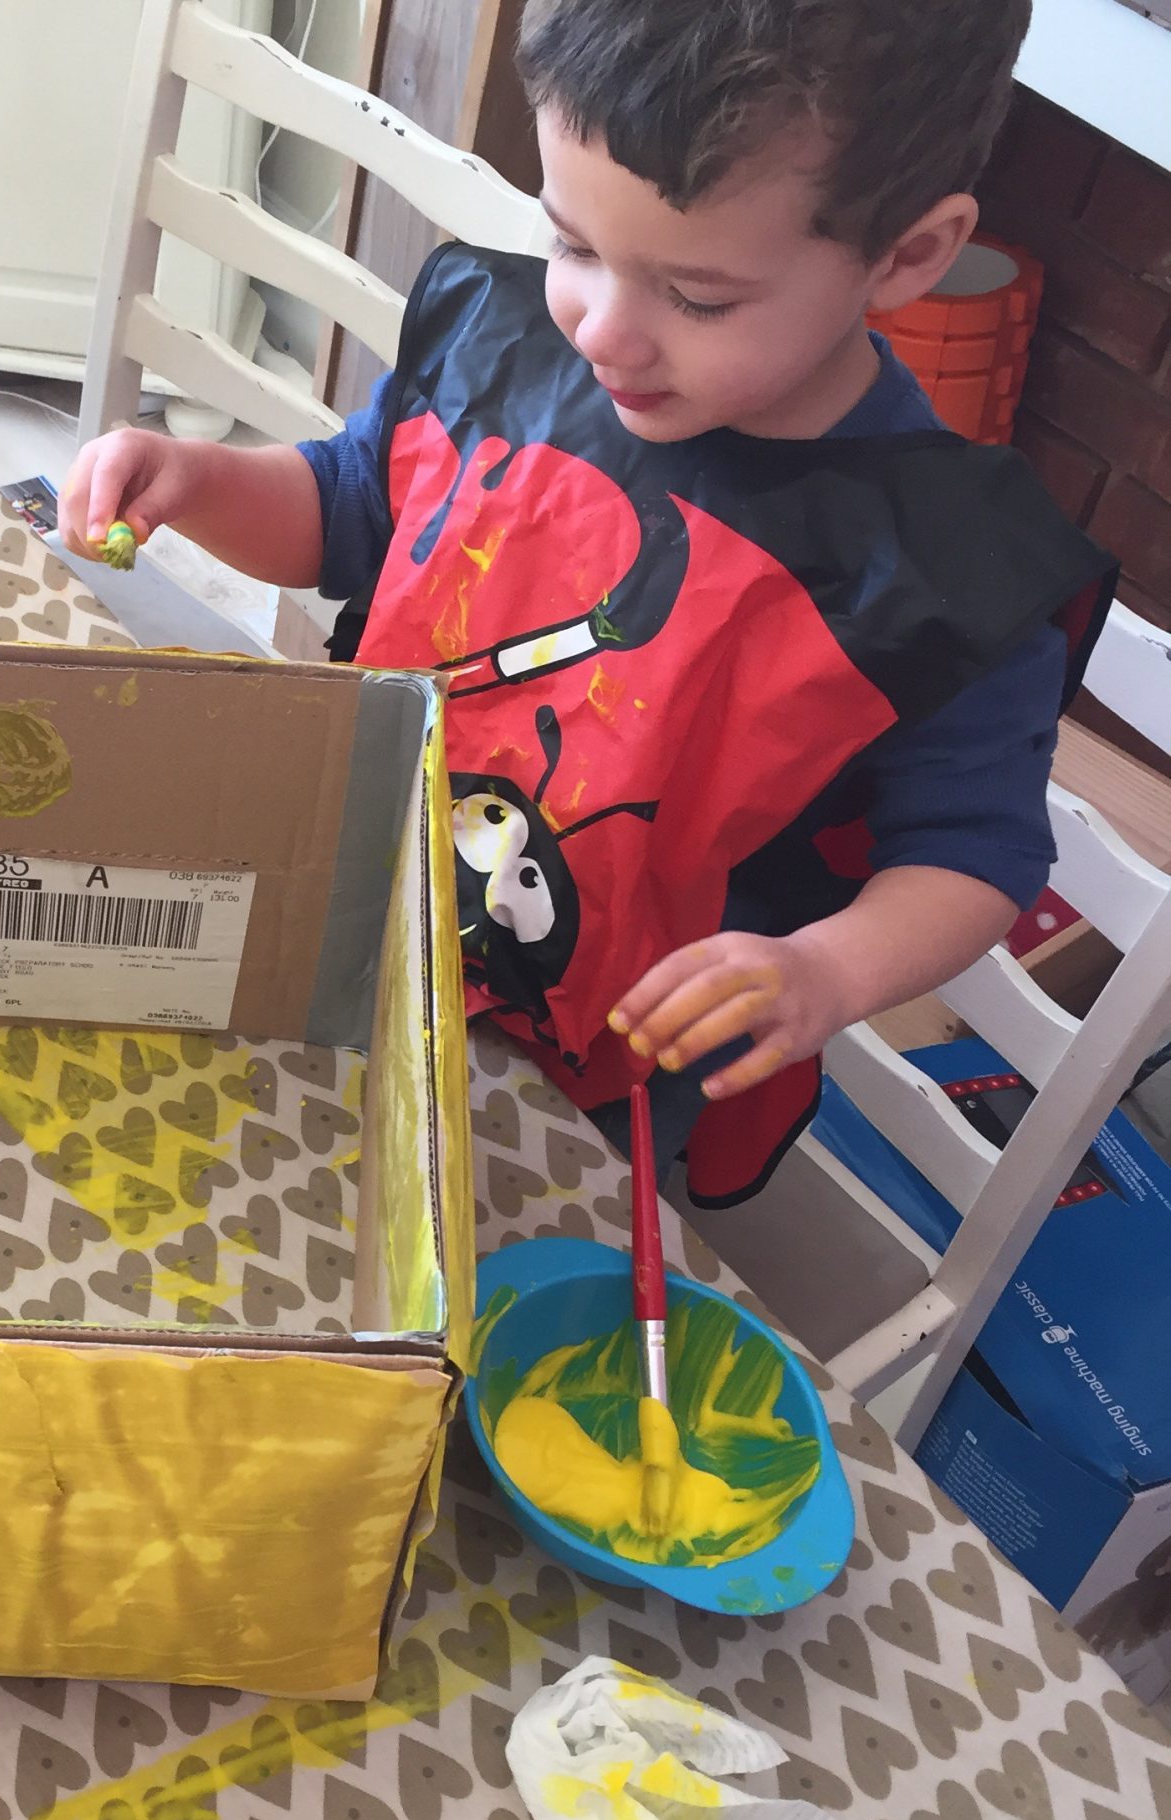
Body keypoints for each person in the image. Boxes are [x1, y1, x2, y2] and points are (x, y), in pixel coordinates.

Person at [61, 0, 1117, 1204]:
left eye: (697, 297)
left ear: (908, 255)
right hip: (353, 892)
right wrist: (198, 481)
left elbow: (973, 853)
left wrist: (824, 970)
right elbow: (351, 508)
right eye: (571, 245)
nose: (602, 332)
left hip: (591, 1072)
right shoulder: (504, 350)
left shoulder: (941, 572)